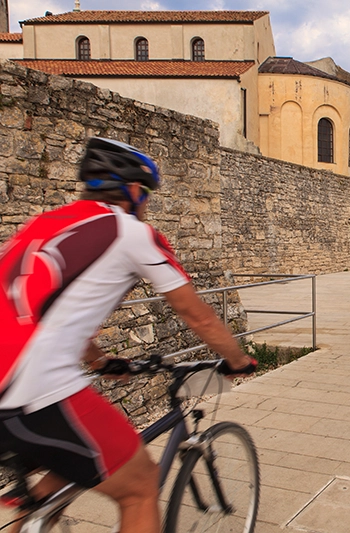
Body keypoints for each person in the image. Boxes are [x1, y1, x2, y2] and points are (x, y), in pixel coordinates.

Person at [0, 137, 256, 533]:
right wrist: (237, 360)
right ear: (135, 190)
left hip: (10, 383)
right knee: (140, 485)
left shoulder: (39, 227)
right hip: (31, 386)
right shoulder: (130, 232)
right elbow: (196, 314)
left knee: (69, 470)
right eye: (148, 194)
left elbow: (44, 307)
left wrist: (99, 361)